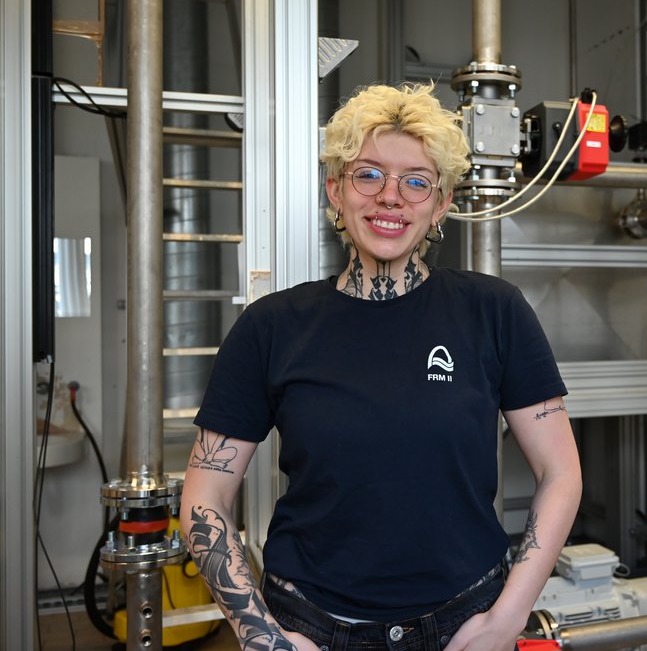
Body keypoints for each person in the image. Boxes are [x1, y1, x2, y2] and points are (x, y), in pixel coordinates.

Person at [180, 83, 582, 651]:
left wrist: (509, 616)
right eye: (368, 174)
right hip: (312, 626)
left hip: (465, 621)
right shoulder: (271, 327)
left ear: (441, 205)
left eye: (417, 182)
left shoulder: (494, 311)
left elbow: (561, 474)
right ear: (336, 191)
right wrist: (260, 635)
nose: (391, 197)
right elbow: (204, 496)